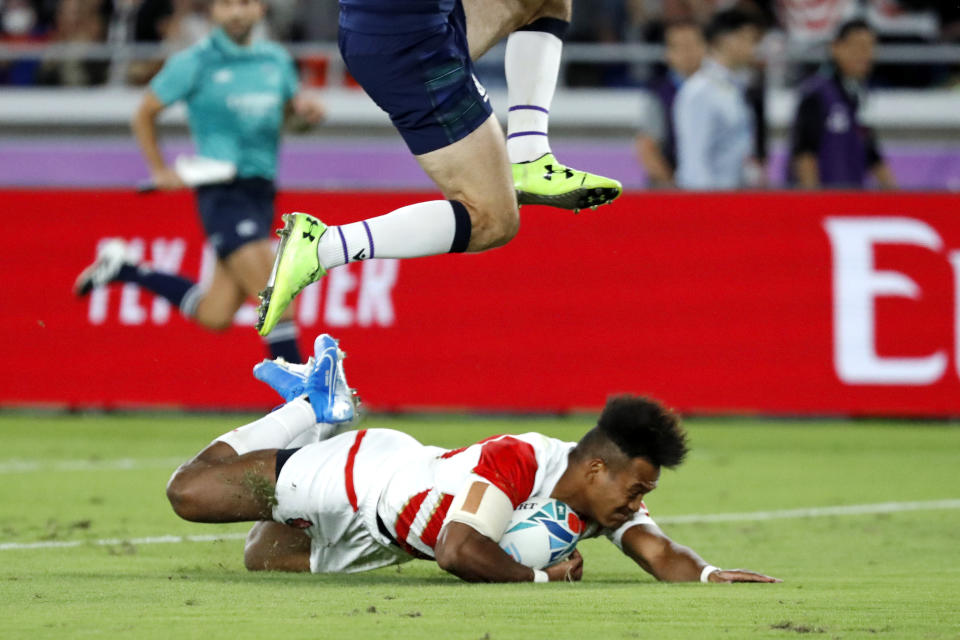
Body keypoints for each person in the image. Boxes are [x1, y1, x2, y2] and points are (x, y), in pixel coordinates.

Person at [166, 333, 781, 584]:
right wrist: (542, 579)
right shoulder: (519, 460)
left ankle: (323, 417)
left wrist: (707, 576)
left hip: (389, 539)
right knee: (188, 494)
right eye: (638, 488)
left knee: (262, 557)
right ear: (597, 469)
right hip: (361, 478)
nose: (640, 503)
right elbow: (460, 551)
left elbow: (662, 553)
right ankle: (312, 409)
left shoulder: (601, 504)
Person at [253, 0, 624, 336]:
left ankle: (530, 157)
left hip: (399, 24)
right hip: (410, 46)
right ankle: (324, 247)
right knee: (492, 220)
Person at [74, 0, 325, 362]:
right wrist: (161, 170)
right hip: (222, 190)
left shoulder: (277, 61)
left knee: (215, 314)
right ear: (212, 11)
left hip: (261, 191)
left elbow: (289, 122)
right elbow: (144, 114)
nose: (236, 13)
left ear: (260, 9)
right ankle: (304, 403)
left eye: (245, 4)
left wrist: (307, 118)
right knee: (276, 296)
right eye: (226, 5)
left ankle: (125, 269)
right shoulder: (195, 61)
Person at [788, 19, 896, 189]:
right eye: (858, 46)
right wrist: (812, 203)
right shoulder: (816, 94)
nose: (866, 54)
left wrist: (896, 195)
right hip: (827, 201)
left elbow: (872, 154)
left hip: (852, 199)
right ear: (836, 48)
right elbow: (805, 153)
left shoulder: (859, 95)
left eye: (871, 47)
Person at [673, 9, 761, 190]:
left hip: (733, 198)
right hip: (712, 203)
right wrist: (705, 211)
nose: (754, 48)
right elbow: (693, 161)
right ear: (727, 40)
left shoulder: (734, 89)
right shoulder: (700, 91)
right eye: (749, 39)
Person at [635, 21, 705, 189]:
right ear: (668, 53)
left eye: (693, 45)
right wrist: (672, 187)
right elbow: (647, 148)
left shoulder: (718, 89)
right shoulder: (659, 93)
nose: (688, 53)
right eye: (680, 47)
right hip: (671, 186)